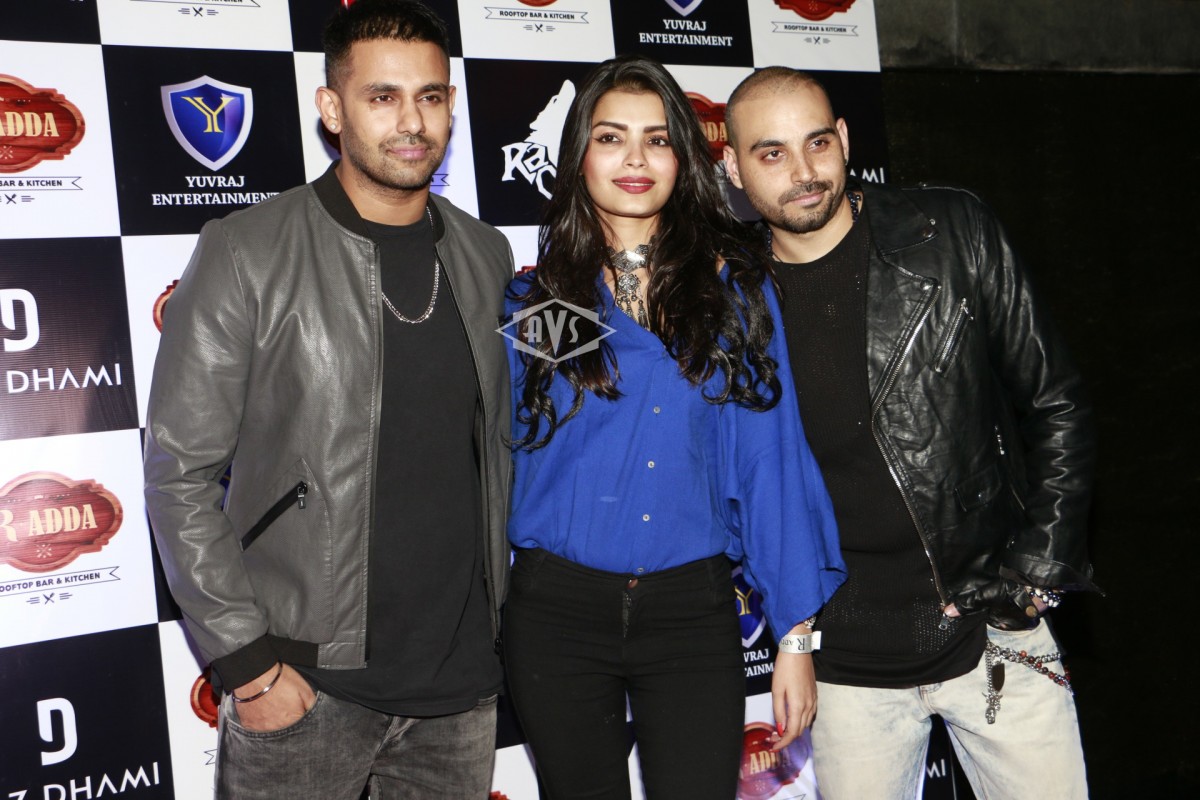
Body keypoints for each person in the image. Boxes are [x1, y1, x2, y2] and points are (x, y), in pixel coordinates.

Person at [142, 1, 514, 797]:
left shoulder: (486, 254)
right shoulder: (247, 250)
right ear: (332, 109)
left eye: (430, 96)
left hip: (459, 693)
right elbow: (178, 473)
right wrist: (249, 665)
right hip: (306, 685)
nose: (412, 122)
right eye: (382, 97)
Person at [722, 67, 1098, 799]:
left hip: (992, 634)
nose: (804, 172)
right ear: (734, 169)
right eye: (771, 153)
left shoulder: (949, 231)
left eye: (818, 142)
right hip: (844, 669)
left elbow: (1056, 401)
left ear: (844, 138)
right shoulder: (731, 295)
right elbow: (745, 482)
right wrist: (796, 632)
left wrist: (1036, 571)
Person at [500, 55, 846, 800]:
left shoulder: (733, 294)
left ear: (684, 158)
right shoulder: (534, 303)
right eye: (611, 138)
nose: (635, 159)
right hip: (556, 615)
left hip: (692, 614)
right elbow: (499, 459)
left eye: (657, 140)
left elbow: (770, 461)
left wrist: (794, 639)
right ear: (578, 155)